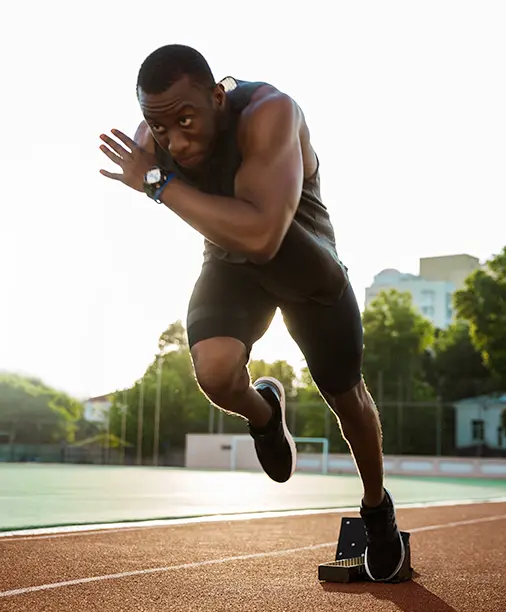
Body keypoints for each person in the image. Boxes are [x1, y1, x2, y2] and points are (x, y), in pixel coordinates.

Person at [99, 43, 405, 582]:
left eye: (186, 120)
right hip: (229, 260)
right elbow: (214, 219)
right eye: (161, 129)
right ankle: (265, 412)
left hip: (303, 259)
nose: (175, 140)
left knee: (347, 399)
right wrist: (158, 174)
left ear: (217, 96)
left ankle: (376, 506)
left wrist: (157, 182)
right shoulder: (153, 141)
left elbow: (265, 236)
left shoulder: (270, 113)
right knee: (215, 374)